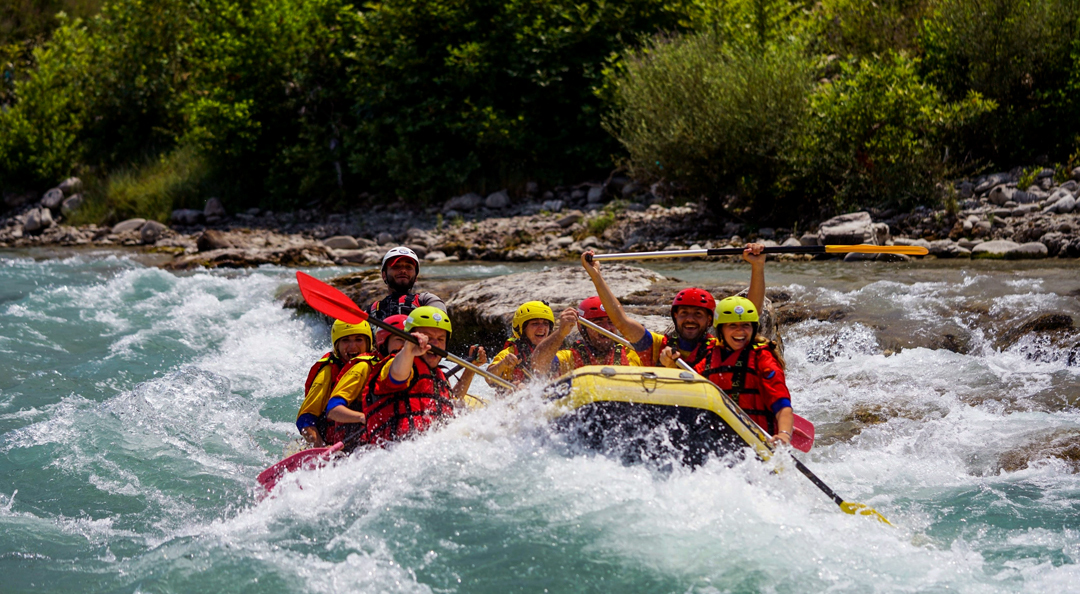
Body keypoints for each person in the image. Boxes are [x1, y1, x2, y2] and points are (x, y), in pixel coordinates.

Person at [580, 246, 766, 368]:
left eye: (698, 314)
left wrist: (757, 267)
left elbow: (749, 315)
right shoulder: (654, 345)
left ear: (710, 320)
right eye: (684, 313)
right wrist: (596, 275)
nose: (690, 319)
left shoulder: (720, 347)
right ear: (675, 317)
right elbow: (620, 321)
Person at [670, 296, 794, 446]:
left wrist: (784, 434)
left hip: (754, 441)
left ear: (754, 328)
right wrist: (670, 365)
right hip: (716, 441)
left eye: (746, 325)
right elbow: (687, 389)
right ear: (720, 329)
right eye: (732, 325)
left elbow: (782, 406)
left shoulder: (763, 359)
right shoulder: (709, 356)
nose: (740, 331)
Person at [367, 306, 487, 443]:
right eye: (428, 338)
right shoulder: (398, 363)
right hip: (396, 449)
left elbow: (452, 402)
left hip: (433, 448)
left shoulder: (437, 373)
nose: (435, 344)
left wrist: (471, 368)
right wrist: (408, 350)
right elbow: (398, 376)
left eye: (441, 339)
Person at [320, 314, 409, 447]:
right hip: (356, 445)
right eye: (400, 339)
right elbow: (332, 409)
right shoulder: (363, 367)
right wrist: (363, 417)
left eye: (359, 340)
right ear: (384, 344)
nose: (352, 346)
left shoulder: (420, 366)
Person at [295, 319, 373, 447]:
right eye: (345, 340)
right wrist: (321, 448)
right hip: (330, 444)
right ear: (337, 345)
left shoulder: (376, 365)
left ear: (368, 343)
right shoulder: (328, 372)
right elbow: (305, 420)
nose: (353, 346)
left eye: (359, 339)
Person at [531, 296, 642, 377]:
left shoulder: (633, 352)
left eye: (611, 322)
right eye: (598, 324)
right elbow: (538, 364)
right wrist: (560, 333)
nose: (606, 328)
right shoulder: (570, 358)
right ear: (583, 329)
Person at [486, 301, 555, 388]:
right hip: (514, 397)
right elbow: (488, 378)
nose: (542, 328)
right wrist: (503, 364)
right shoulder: (510, 353)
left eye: (545, 323)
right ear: (522, 329)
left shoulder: (554, 350)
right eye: (535, 323)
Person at [368, 246, 446, 320]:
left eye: (408, 267)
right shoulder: (372, 310)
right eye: (396, 266)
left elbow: (439, 323)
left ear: (416, 276)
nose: (403, 271)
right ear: (384, 275)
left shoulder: (427, 301)